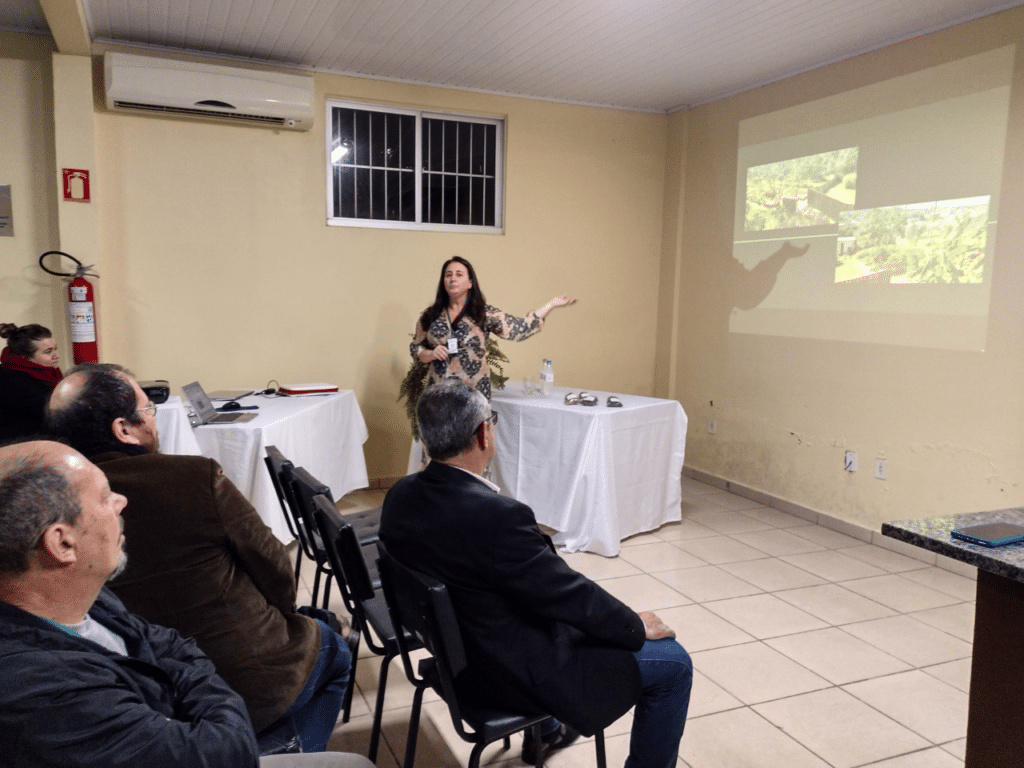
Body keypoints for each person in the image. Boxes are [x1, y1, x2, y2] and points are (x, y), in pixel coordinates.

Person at [0, 440, 373, 768]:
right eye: (103, 497)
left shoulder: (84, 600)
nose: (121, 500)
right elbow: (222, 751)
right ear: (61, 543)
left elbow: (170, 643)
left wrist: (201, 703)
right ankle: (285, 745)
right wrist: (218, 718)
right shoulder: (43, 694)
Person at [380, 380, 692, 768]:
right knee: (674, 663)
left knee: (522, 610)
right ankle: (552, 727)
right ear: (484, 433)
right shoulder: (498, 518)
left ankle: (546, 731)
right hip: (501, 675)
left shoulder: (400, 496)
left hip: (451, 656)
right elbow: (568, 595)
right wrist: (632, 624)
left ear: (426, 437)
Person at [45, 364, 351, 753]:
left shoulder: (50, 512)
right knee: (334, 647)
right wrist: (284, 616)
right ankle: (285, 751)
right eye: (148, 409)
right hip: (245, 674)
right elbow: (273, 566)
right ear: (123, 429)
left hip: (146, 695)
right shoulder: (192, 477)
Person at [411, 256, 575, 400]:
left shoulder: (483, 314)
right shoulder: (430, 316)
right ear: (443, 282)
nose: (452, 279)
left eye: (459, 275)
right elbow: (416, 348)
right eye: (448, 275)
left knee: (474, 436)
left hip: (474, 399)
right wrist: (430, 354)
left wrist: (551, 304)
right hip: (438, 398)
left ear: (470, 283)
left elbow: (519, 328)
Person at [0, 322, 63, 441]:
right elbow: (56, 414)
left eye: (55, 349)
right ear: (25, 357)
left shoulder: (45, 373)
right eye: (48, 351)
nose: (56, 355)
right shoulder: (16, 383)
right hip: (17, 447)